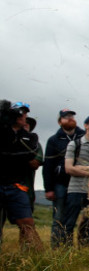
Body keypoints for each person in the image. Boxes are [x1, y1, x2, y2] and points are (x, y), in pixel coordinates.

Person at [0, 101, 43, 250]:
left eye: (25, 113)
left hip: (16, 185)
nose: (23, 116)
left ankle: (40, 260)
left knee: (27, 224)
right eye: (20, 112)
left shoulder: (30, 137)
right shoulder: (3, 131)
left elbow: (30, 155)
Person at [43, 108, 85, 248]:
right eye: (66, 117)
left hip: (80, 183)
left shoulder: (83, 136)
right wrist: (48, 188)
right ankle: (56, 248)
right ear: (60, 121)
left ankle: (71, 246)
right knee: (59, 216)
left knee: (74, 216)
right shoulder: (53, 140)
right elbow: (48, 165)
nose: (70, 118)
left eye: (72, 116)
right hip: (60, 183)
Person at [63, 114, 89, 246]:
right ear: (86, 126)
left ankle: (88, 251)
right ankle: (65, 250)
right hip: (75, 189)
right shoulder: (74, 144)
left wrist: (81, 168)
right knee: (69, 223)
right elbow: (69, 169)